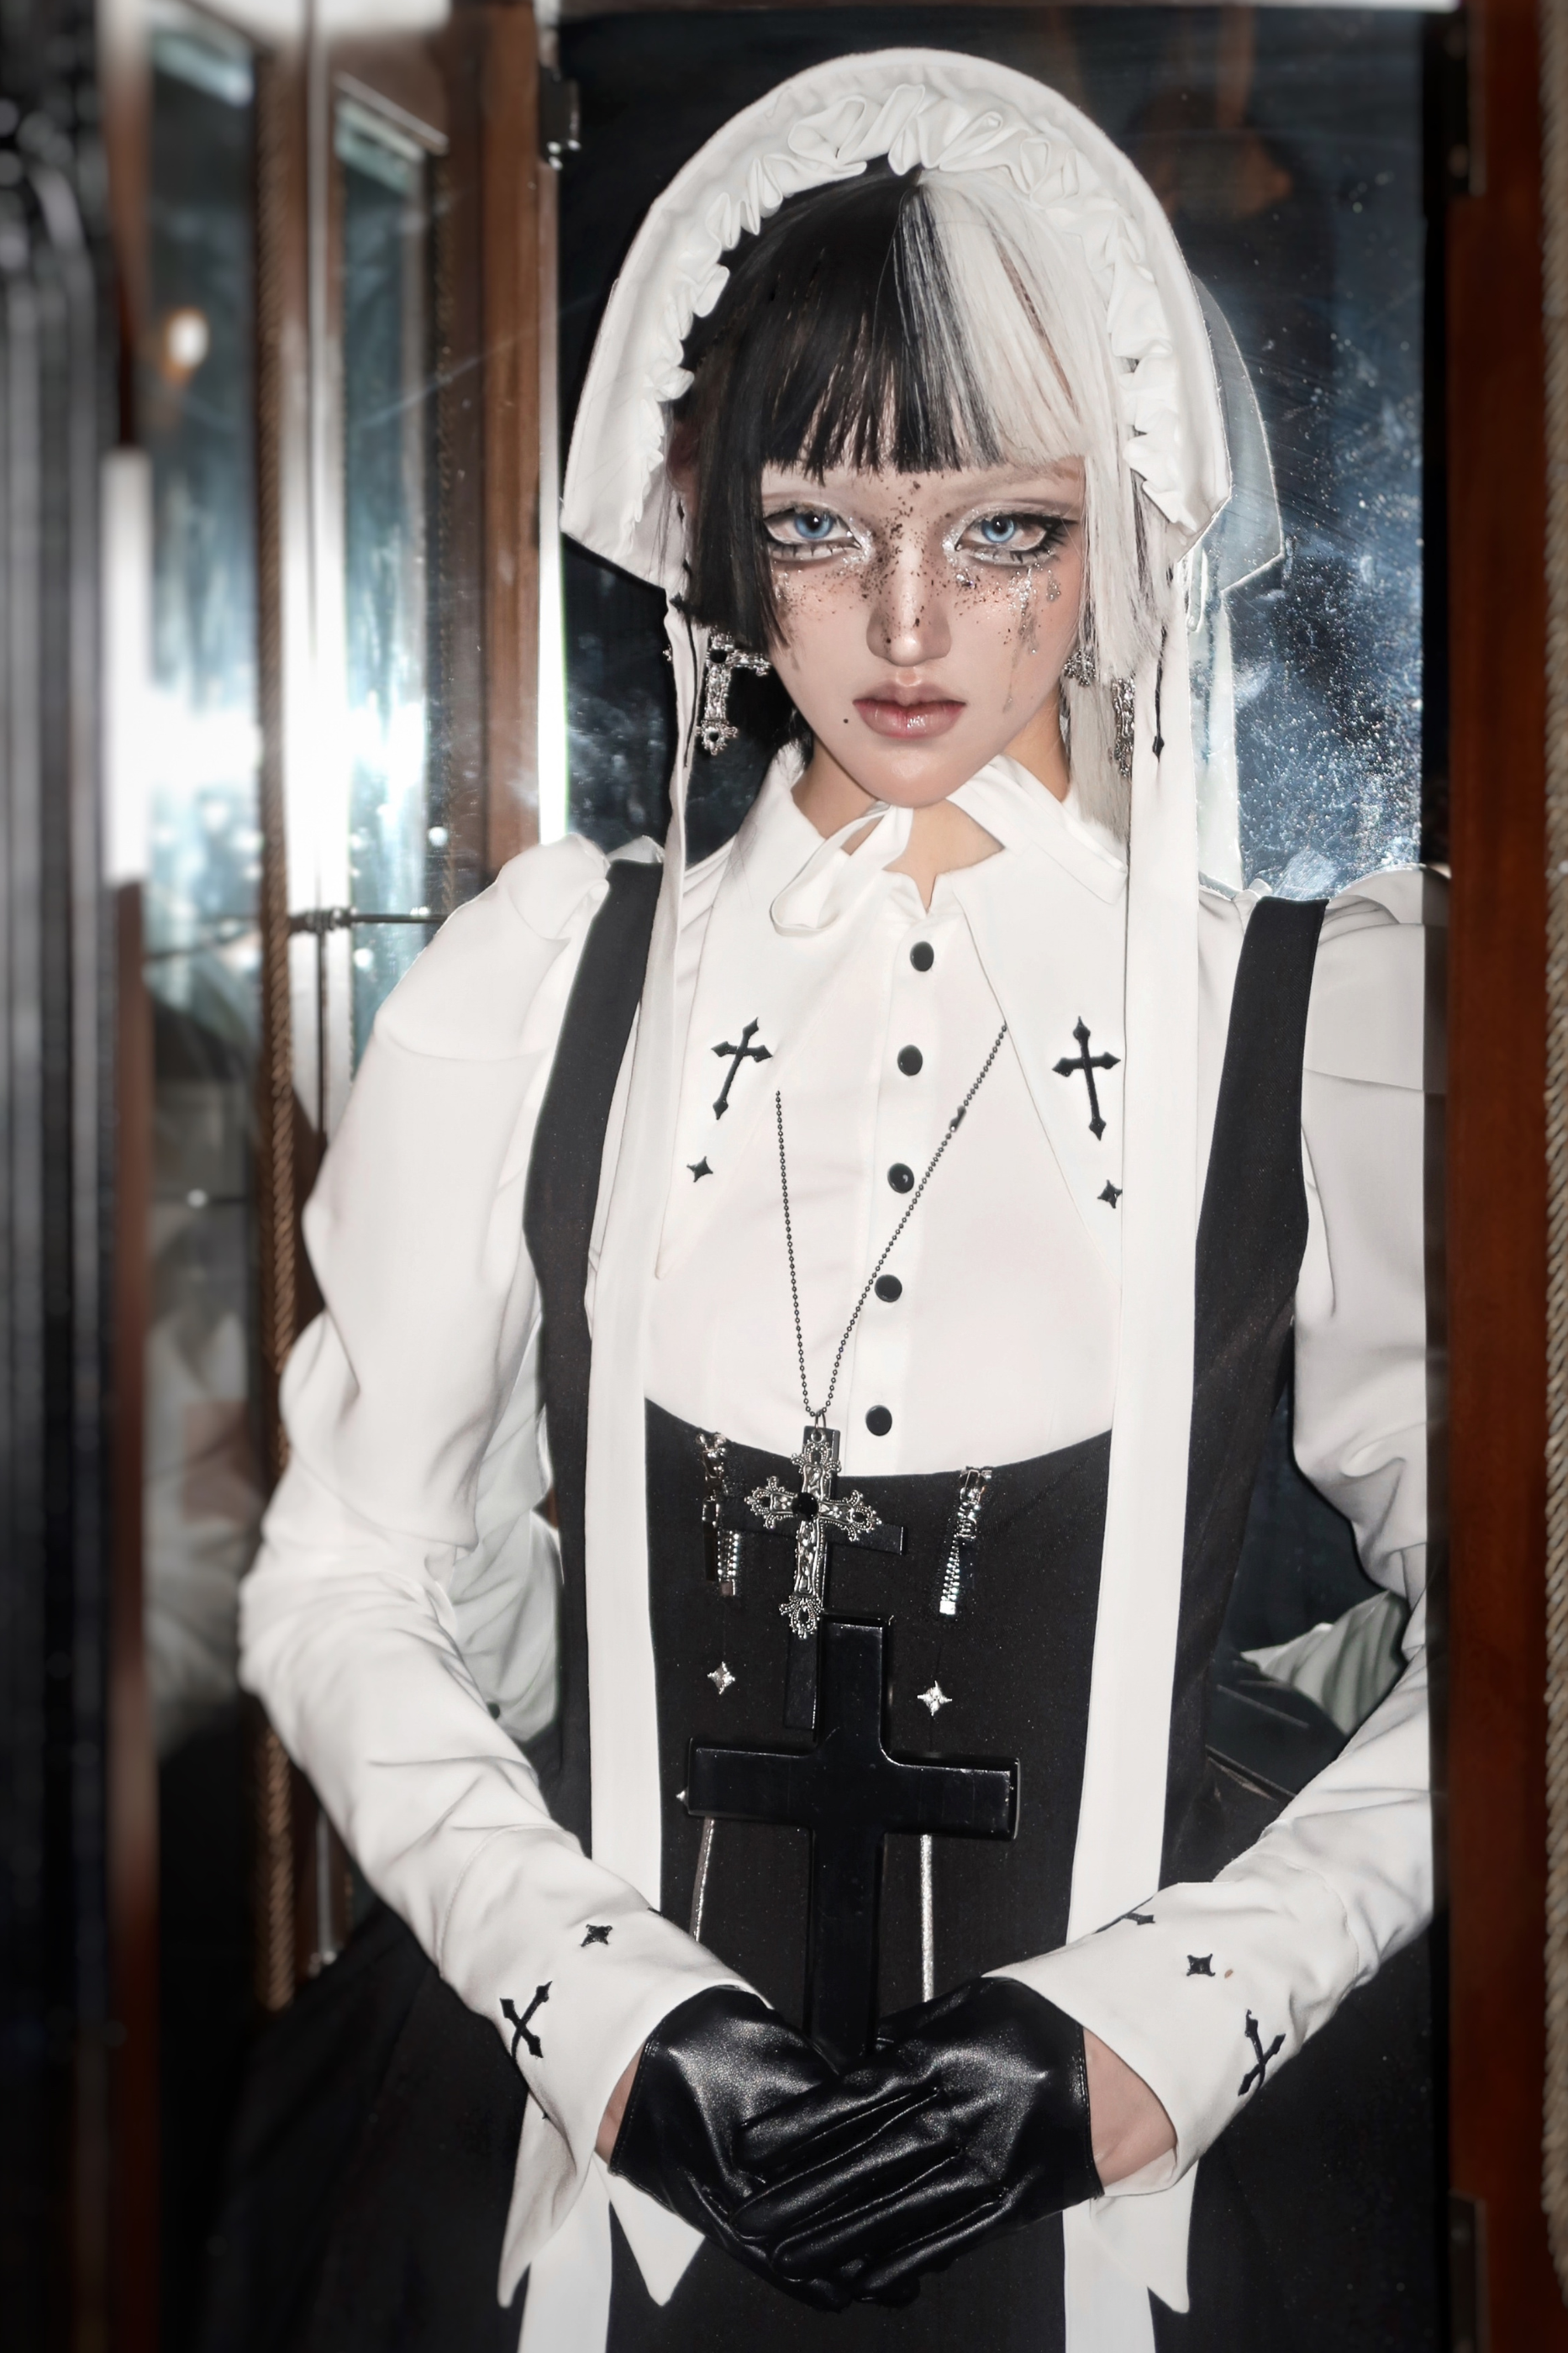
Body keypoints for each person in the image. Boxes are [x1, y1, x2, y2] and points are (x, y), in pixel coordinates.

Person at [234, 49, 1436, 2353]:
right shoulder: (548, 986)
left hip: (1148, 2189)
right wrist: (602, 2012)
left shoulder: (1305, 1022)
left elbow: (1519, 1643)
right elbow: (344, 1580)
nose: (906, 626)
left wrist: (1177, 2023)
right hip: (592, 2166)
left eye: (1002, 533)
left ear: (1118, 531)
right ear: (716, 528)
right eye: (819, 528)